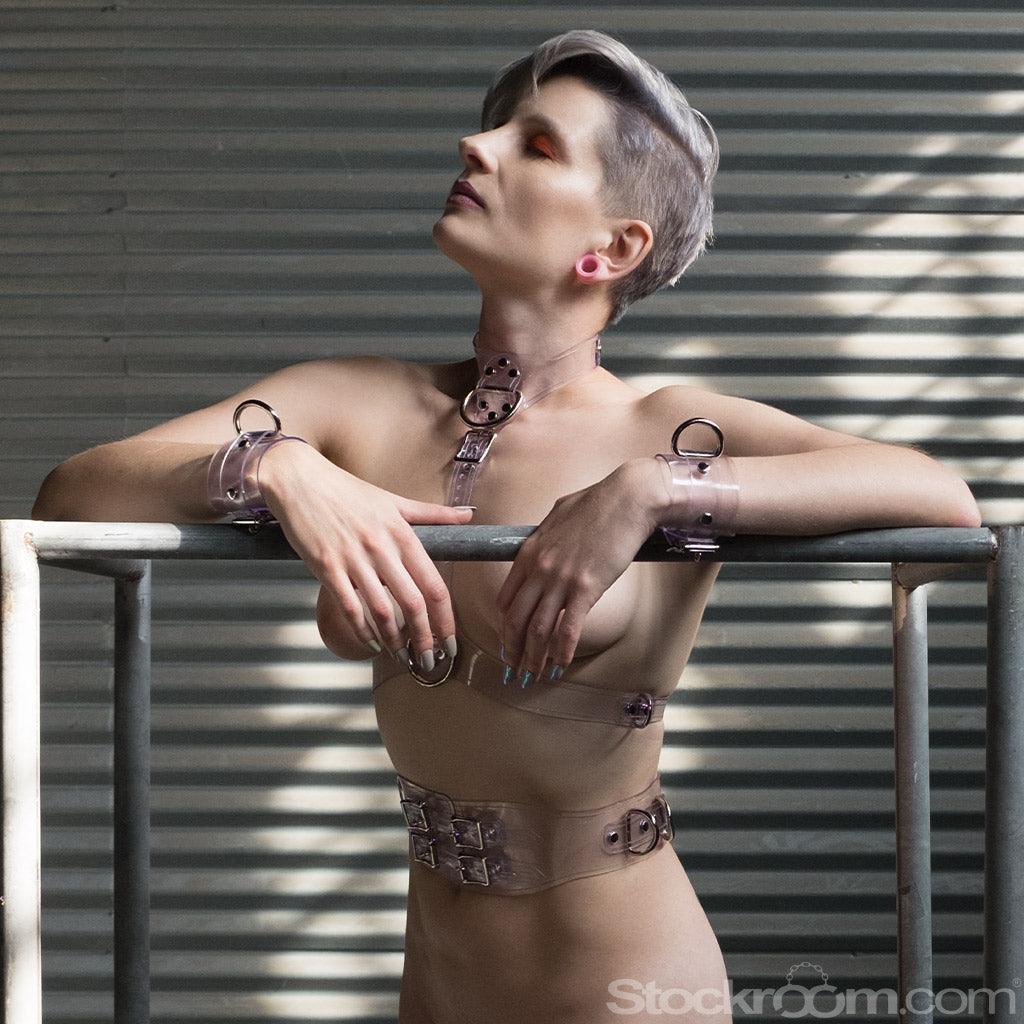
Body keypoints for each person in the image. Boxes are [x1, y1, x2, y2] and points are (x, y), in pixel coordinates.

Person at [33, 29, 981, 1024]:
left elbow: (936, 497)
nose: (472, 147)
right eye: (493, 129)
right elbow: (73, 492)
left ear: (611, 248)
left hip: (626, 989)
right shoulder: (352, 401)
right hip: (436, 987)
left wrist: (655, 488)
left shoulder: (659, 425)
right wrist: (276, 464)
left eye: (532, 145)